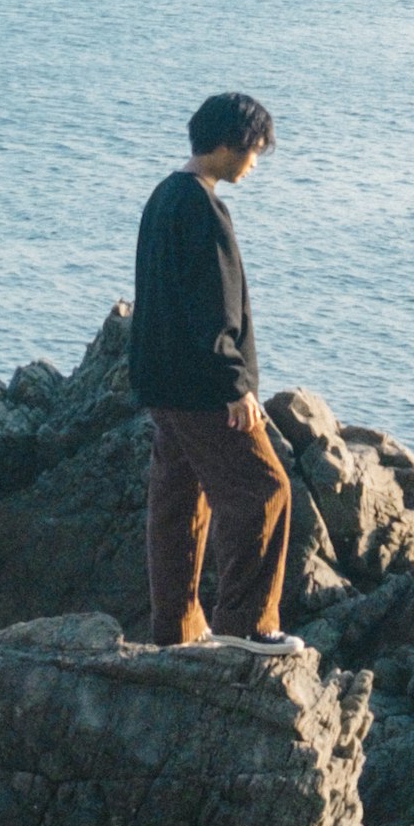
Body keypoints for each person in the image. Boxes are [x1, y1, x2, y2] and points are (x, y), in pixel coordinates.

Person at [130, 91, 299, 654]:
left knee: (179, 503)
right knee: (265, 490)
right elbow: (214, 308)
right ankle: (246, 626)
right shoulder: (203, 208)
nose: (255, 162)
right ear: (230, 144)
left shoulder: (164, 196)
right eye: (254, 150)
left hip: (163, 384)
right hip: (204, 389)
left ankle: (176, 630)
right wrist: (236, 387)